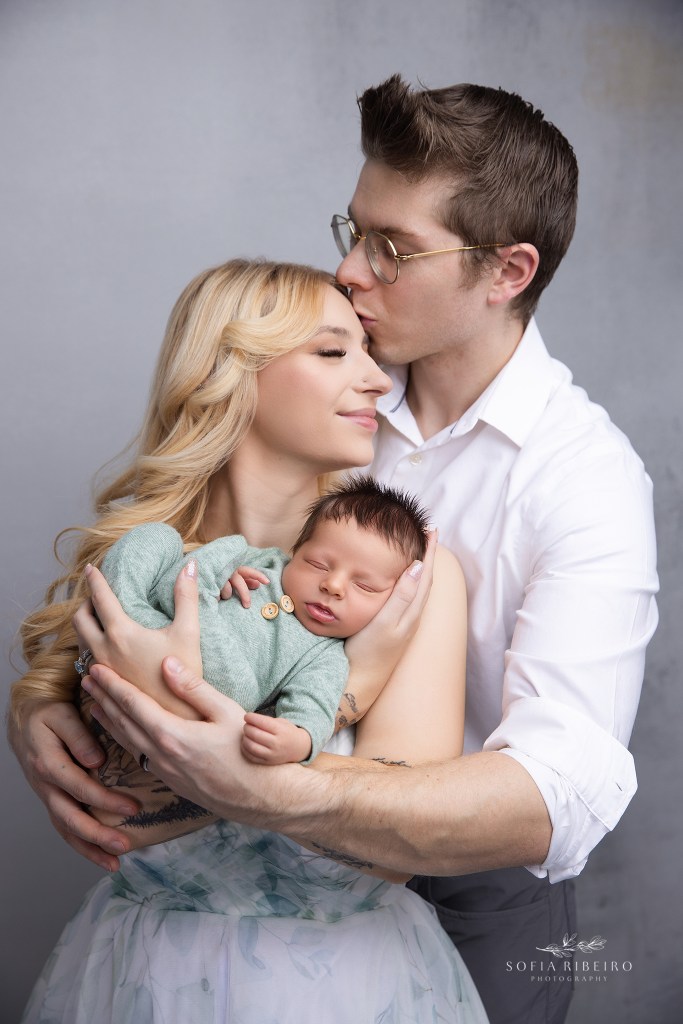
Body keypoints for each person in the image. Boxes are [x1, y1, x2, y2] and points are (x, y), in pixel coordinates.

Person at [11, 76, 659, 1024]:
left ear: (506, 273)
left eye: (392, 248)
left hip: (468, 896)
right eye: (352, 231)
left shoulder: (581, 479)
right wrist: (52, 708)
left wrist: (249, 748)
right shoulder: (338, 391)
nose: (353, 271)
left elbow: (559, 790)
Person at [15, 258, 489, 1023]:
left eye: (368, 353)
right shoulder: (143, 567)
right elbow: (118, 822)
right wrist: (37, 707)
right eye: (333, 352)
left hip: (346, 988)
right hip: (144, 982)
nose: (378, 380)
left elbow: (387, 854)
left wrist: (339, 688)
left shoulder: (403, 583)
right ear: (231, 374)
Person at [80, 478, 429, 847]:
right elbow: (197, 569)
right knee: (156, 538)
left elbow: (313, 707)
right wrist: (225, 574)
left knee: (241, 693)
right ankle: (128, 614)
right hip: (163, 619)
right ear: (295, 551)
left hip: (217, 685)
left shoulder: (324, 655)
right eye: (317, 563)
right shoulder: (263, 563)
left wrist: (298, 740)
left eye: (365, 587)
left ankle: (133, 627)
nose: (334, 585)